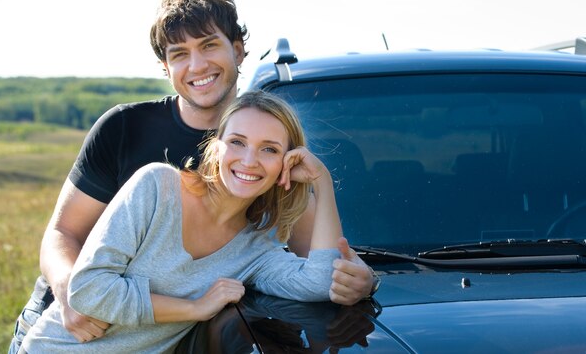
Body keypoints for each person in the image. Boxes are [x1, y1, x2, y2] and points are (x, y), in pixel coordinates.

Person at [9, 0, 376, 354]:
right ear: (166, 67)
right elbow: (63, 233)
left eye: (209, 45)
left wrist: (365, 280)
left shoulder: (259, 192)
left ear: (238, 49)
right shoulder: (126, 133)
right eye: (179, 53)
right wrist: (72, 293)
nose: (197, 65)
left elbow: (322, 260)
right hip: (64, 325)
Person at [20, 90, 345, 353]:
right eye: (237, 142)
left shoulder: (257, 249)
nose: (249, 160)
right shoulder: (156, 187)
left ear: (285, 165)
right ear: (216, 146)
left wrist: (322, 181)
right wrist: (194, 308)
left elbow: (320, 283)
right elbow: (88, 291)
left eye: (269, 150)